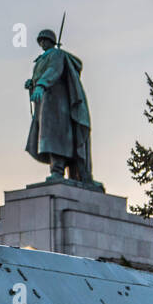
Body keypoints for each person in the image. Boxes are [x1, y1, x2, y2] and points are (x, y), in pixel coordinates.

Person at [24, 28, 98, 186]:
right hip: (45, 104)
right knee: (48, 137)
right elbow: (41, 75)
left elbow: (53, 70)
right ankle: (56, 169)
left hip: (56, 104)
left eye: (44, 40)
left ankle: (57, 170)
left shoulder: (56, 55)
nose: (42, 43)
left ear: (51, 41)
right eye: (40, 40)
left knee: (55, 137)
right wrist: (33, 84)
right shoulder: (40, 60)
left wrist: (41, 85)